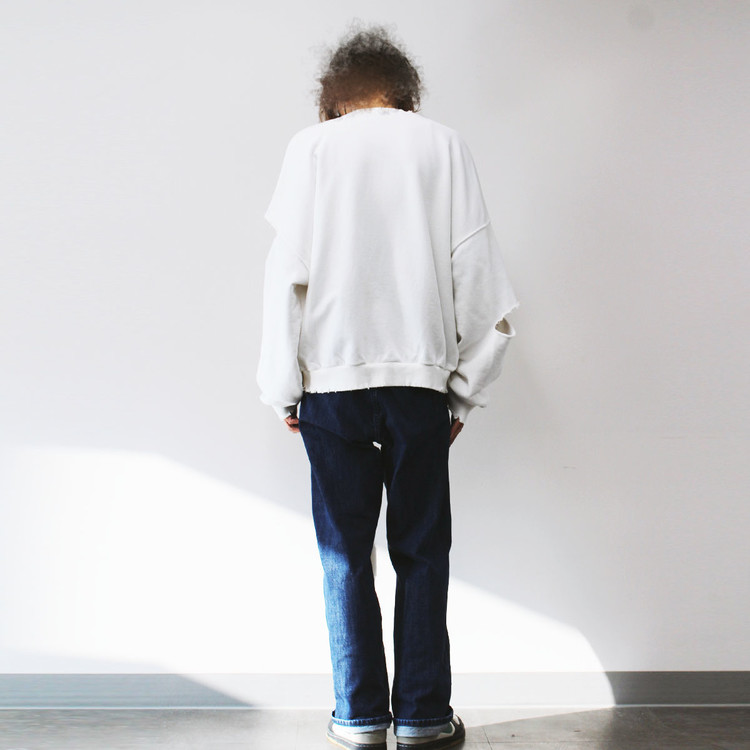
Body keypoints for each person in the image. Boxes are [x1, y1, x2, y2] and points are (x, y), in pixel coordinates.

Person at [257, 22, 519, 750]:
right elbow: (482, 285)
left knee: (344, 556)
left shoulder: (310, 149)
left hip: (331, 388)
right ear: (404, 90)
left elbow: (285, 278)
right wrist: (462, 391)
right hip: (418, 387)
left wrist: (283, 388)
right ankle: (425, 718)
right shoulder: (443, 145)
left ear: (333, 95)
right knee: (422, 551)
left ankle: (359, 716)